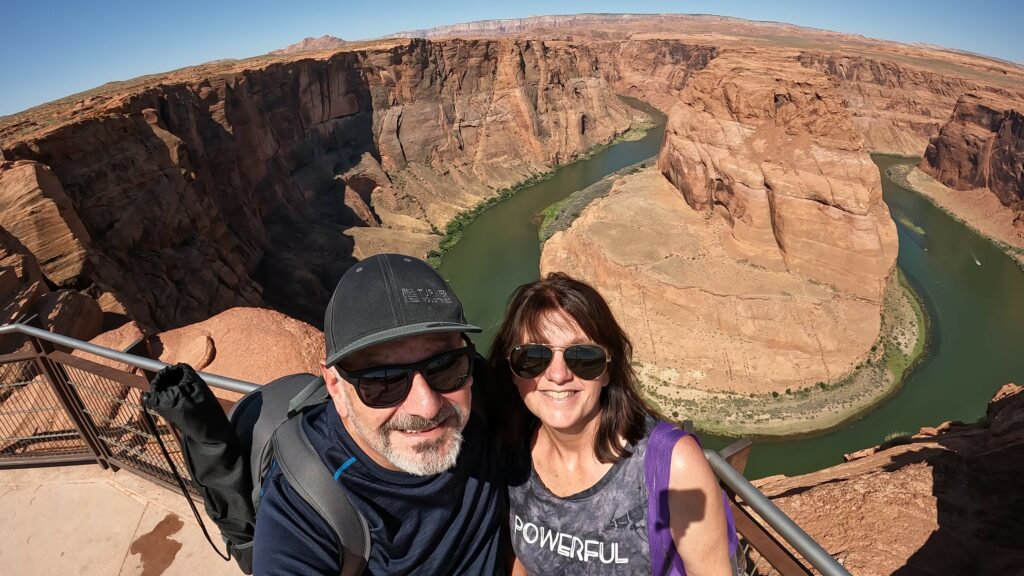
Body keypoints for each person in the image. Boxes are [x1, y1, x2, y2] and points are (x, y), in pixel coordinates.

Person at [253, 253, 506, 575]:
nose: (427, 406)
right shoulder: (302, 506)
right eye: (382, 381)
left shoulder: (485, 394)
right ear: (335, 386)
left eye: (444, 366)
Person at [489, 272, 734, 575]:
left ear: (607, 370)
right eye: (533, 357)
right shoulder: (511, 449)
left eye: (582, 357)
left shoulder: (671, 464)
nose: (558, 375)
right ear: (513, 371)